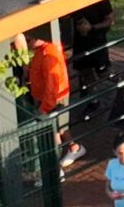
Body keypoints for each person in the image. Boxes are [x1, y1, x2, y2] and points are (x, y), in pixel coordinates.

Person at [25, 34, 84, 165]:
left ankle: (54, 167)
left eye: (29, 40)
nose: (27, 43)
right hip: (52, 96)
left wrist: (44, 107)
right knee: (60, 127)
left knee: (53, 132)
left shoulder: (48, 54)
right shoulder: (47, 50)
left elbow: (52, 84)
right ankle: (74, 148)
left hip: (51, 98)